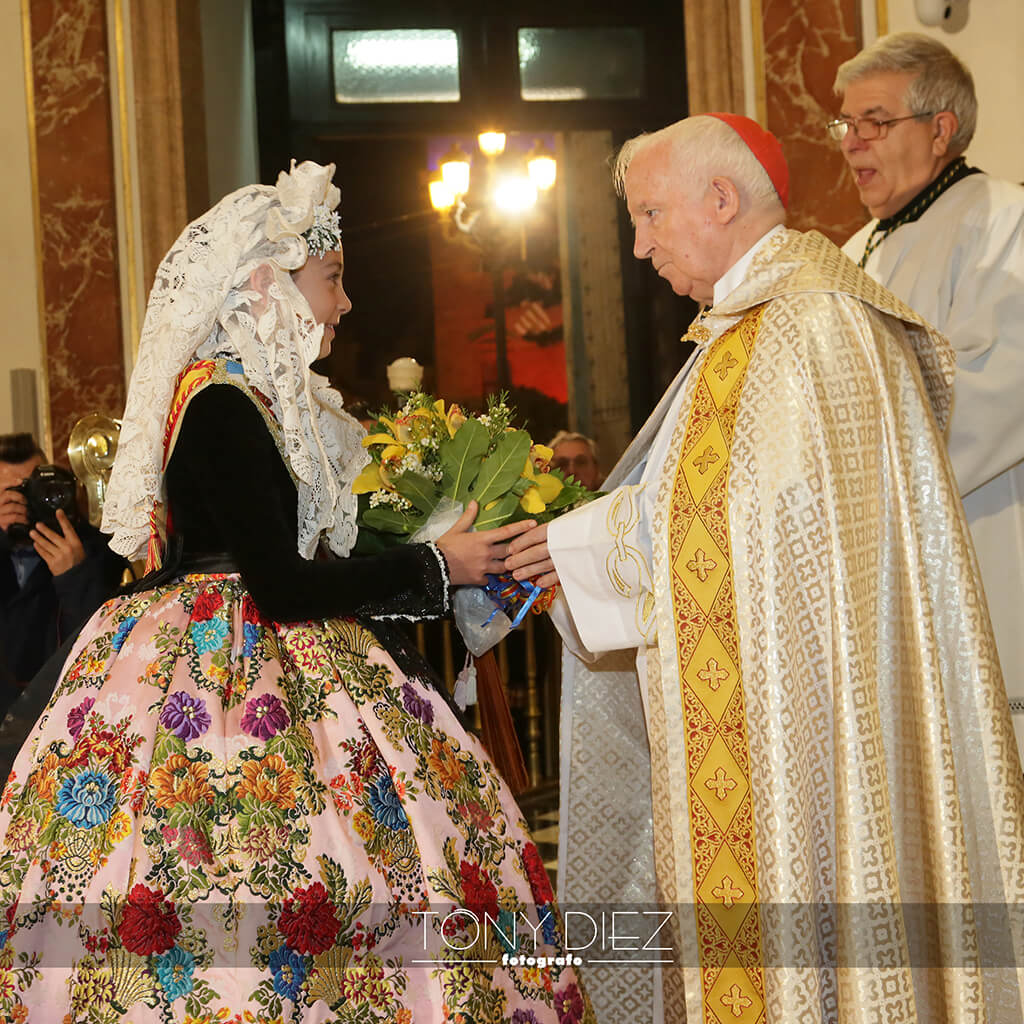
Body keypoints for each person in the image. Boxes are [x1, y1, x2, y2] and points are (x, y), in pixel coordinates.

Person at [0, 161, 593, 1023]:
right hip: (225, 664)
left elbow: (307, 561)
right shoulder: (221, 404)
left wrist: (438, 552)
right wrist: (438, 567)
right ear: (265, 283)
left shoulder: (263, 400)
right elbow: (279, 584)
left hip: (258, 637)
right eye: (332, 277)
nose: (345, 302)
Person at [506, 114, 1024, 1024]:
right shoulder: (766, 323)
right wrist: (579, 544)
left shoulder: (804, 325)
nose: (640, 246)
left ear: (721, 199)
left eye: (651, 215)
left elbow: (738, 525)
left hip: (815, 705)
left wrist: (574, 547)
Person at [832, 32, 1024, 758]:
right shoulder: (852, 253)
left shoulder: (1004, 221)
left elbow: (1000, 388)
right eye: (846, 123)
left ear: (941, 129)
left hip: (982, 536)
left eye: (874, 121)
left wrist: (862, 464)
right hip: (886, 569)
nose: (852, 141)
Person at [0, 432, 125, 714]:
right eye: (14, 493)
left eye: (34, 488)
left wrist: (76, 575)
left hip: (61, 711)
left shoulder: (94, 549)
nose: (28, 501)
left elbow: (101, 645)